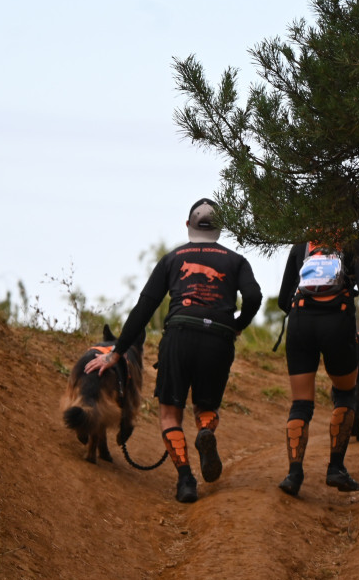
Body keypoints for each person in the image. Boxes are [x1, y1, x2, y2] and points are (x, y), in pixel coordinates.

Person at [85, 198, 262, 503]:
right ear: (220, 228)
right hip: (218, 339)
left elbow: (144, 308)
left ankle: (186, 480)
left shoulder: (172, 259)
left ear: (187, 225)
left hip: (180, 334)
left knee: (170, 414)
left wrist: (116, 353)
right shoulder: (236, 261)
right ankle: (205, 431)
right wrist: (237, 325)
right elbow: (254, 296)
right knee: (206, 408)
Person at [275, 234, 359, 497]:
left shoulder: (302, 244)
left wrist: (304, 310)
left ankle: (294, 475)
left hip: (300, 321)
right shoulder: (358, 243)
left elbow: (283, 299)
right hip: (337, 322)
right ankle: (336, 469)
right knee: (344, 393)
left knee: (300, 403)